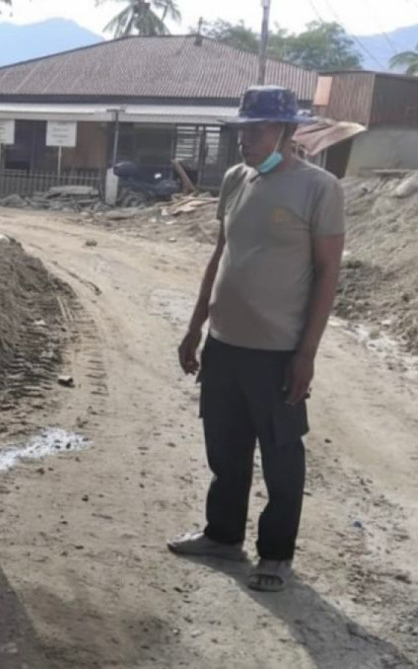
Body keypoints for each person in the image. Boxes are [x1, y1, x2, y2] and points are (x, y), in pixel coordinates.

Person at [167, 87, 346, 592]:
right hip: (225, 345)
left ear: (287, 133)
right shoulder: (234, 179)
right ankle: (223, 536)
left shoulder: (319, 189)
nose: (245, 139)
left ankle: (275, 554)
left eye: (258, 129)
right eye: (242, 129)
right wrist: (195, 325)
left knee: (282, 456)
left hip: (278, 352)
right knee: (225, 450)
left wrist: (306, 354)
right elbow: (221, 255)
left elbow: (328, 273)